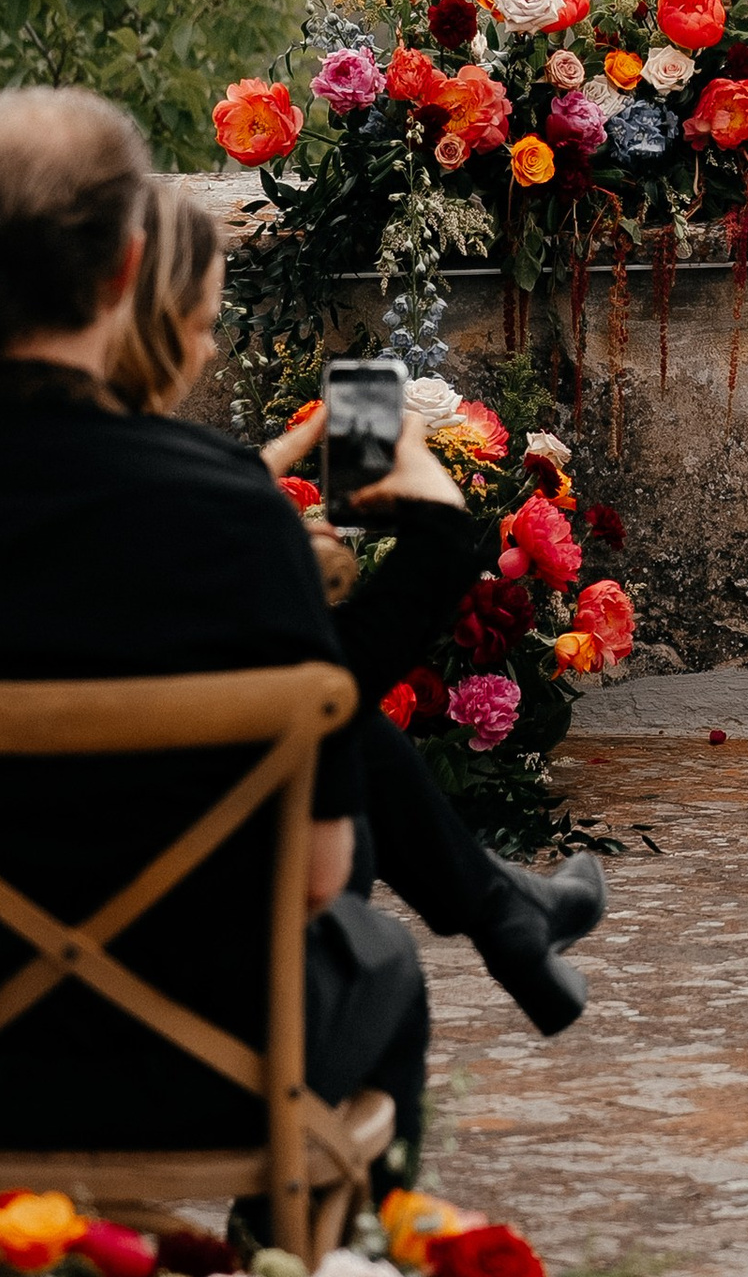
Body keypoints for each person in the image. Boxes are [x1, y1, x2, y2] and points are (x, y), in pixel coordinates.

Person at [0, 90, 431, 1160]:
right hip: (196, 1067)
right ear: (127, 271)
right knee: (381, 961)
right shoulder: (232, 520)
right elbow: (316, 877)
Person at [106, 170, 606, 1037]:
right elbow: (323, 835)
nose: (212, 350)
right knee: (331, 736)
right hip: (186, 1008)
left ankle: (507, 913)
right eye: (202, 324)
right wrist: (438, 524)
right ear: (126, 288)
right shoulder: (211, 523)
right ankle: (501, 915)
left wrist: (246, 476)